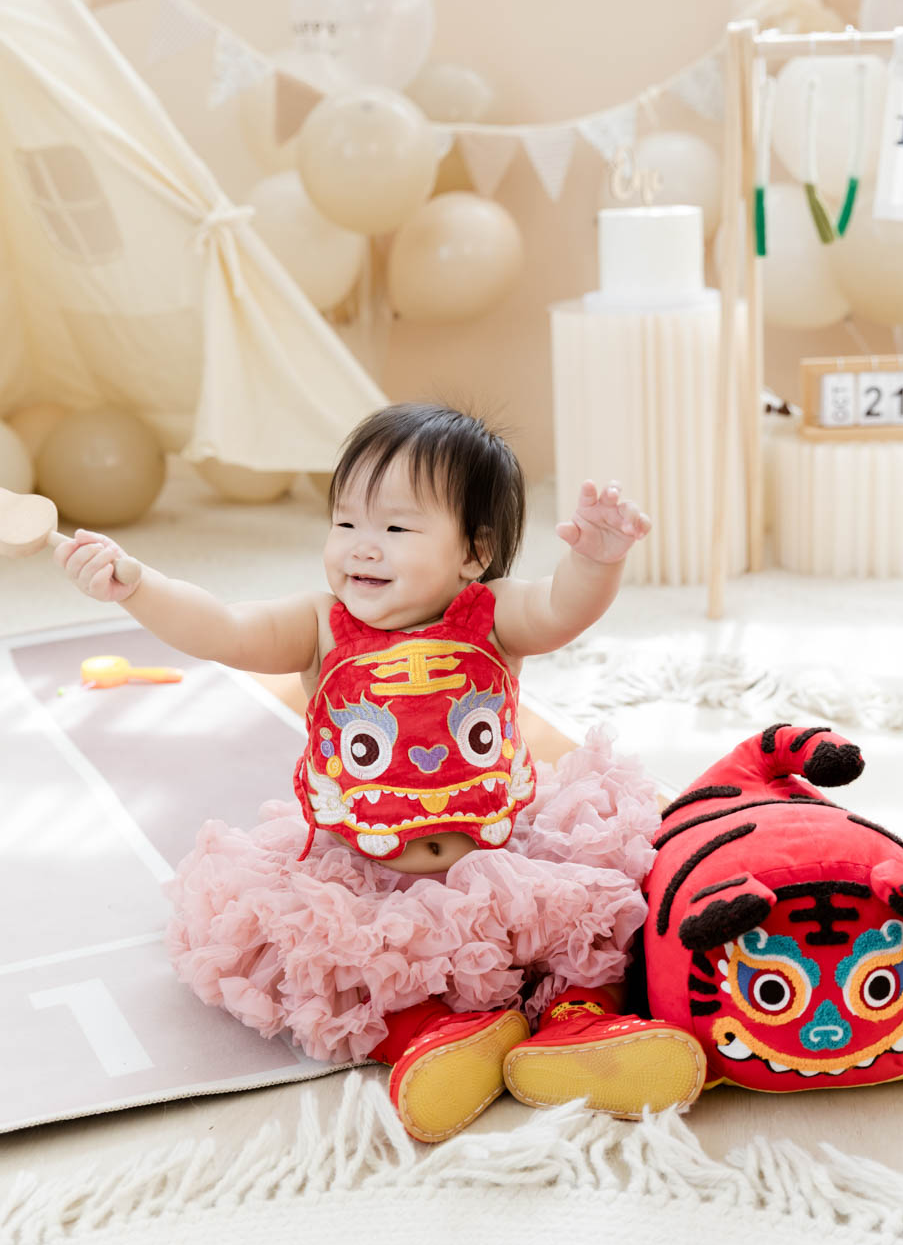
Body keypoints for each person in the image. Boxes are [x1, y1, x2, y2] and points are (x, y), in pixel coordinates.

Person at [55, 402, 705, 1140]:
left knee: (579, 933)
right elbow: (223, 629)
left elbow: (563, 608)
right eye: (345, 522)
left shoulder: (491, 614)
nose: (362, 546)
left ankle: (576, 1028)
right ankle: (433, 1040)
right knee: (354, 966)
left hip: (499, 860)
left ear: (473, 552)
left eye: (396, 528)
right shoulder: (318, 624)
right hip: (370, 877)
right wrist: (137, 585)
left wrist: (597, 560)